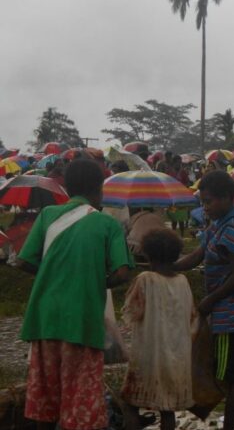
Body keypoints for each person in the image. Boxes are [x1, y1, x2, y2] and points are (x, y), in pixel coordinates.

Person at [15, 159, 133, 430]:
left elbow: (22, 261)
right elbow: (122, 272)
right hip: (82, 320)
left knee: (45, 403)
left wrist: (52, 275)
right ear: (99, 188)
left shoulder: (47, 216)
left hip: (44, 318)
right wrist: (91, 281)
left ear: (66, 187)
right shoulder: (107, 224)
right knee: (79, 406)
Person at [174, 170, 234, 430]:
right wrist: (169, 266)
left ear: (226, 198)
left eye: (209, 201)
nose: (205, 207)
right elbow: (197, 255)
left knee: (233, 378)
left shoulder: (233, 230)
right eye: (203, 202)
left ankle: (229, 426)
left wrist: (210, 301)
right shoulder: (219, 225)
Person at [121, 229, 195, 430]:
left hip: (148, 357)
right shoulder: (184, 282)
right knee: (167, 409)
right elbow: (191, 316)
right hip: (176, 359)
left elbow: (131, 312)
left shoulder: (145, 279)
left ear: (147, 255)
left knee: (130, 404)